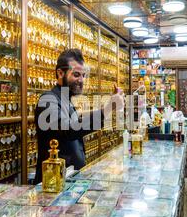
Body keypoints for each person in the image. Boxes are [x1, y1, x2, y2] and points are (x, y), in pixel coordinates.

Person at [34, 49, 124, 184]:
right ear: (60, 73)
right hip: (53, 183)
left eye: (83, 75)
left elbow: (76, 121)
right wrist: (107, 109)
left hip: (68, 181)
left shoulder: (64, 99)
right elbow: (68, 129)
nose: (81, 80)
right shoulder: (48, 99)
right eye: (76, 75)